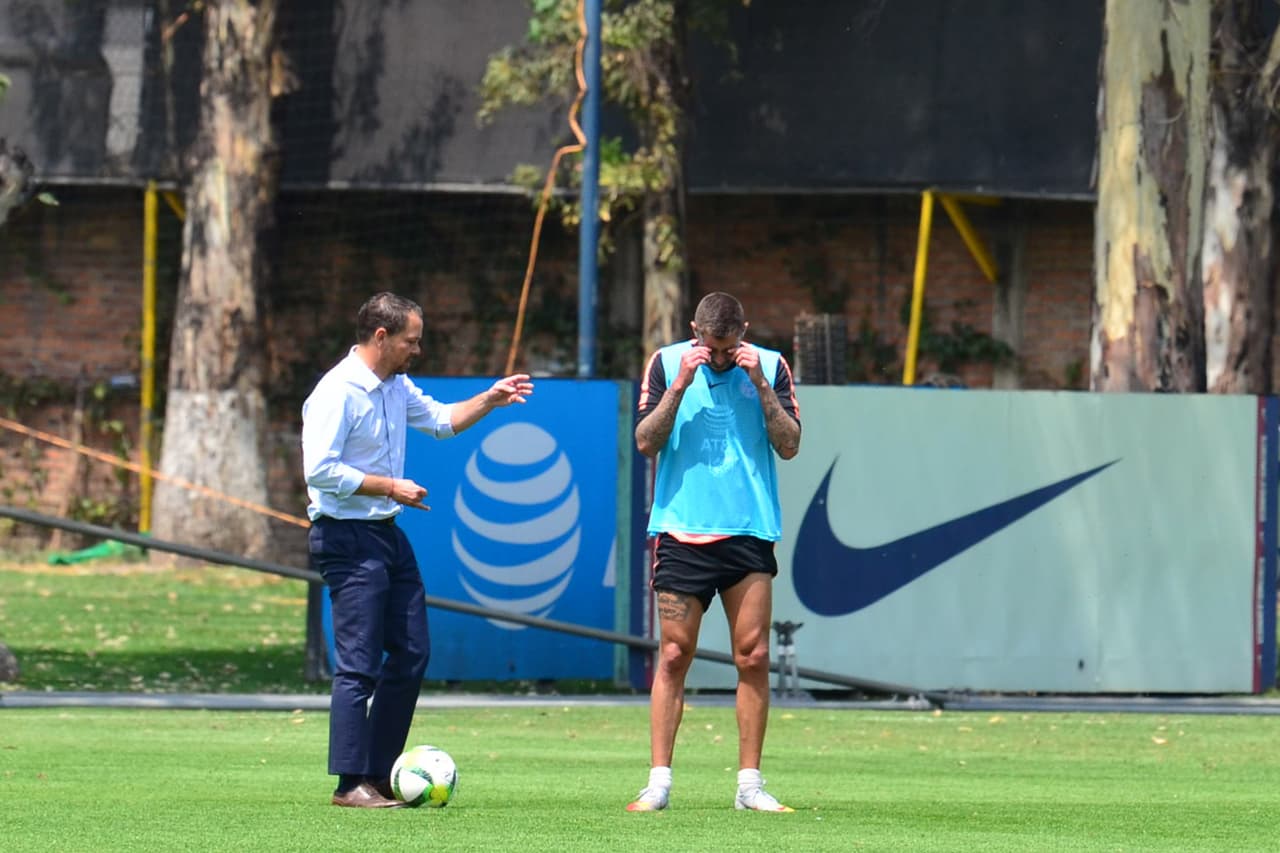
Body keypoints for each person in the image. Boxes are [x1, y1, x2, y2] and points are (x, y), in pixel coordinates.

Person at [302, 292, 533, 808]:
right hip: (346, 537)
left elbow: (442, 421)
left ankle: (380, 775)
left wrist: (490, 399)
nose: (417, 349)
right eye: (412, 340)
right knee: (358, 664)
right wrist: (389, 486)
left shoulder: (395, 385)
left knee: (412, 651)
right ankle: (348, 784)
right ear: (381, 337)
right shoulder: (336, 392)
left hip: (385, 534)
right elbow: (318, 470)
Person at [628, 291, 802, 813]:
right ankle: (658, 782)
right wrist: (681, 383)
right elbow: (644, 441)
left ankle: (749, 785)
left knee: (753, 656)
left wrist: (759, 386)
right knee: (674, 655)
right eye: (713, 346)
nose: (722, 356)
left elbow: (790, 444)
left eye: (731, 346)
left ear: (744, 331)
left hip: (749, 532)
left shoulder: (769, 365)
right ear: (694, 331)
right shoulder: (665, 363)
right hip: (682, 532)